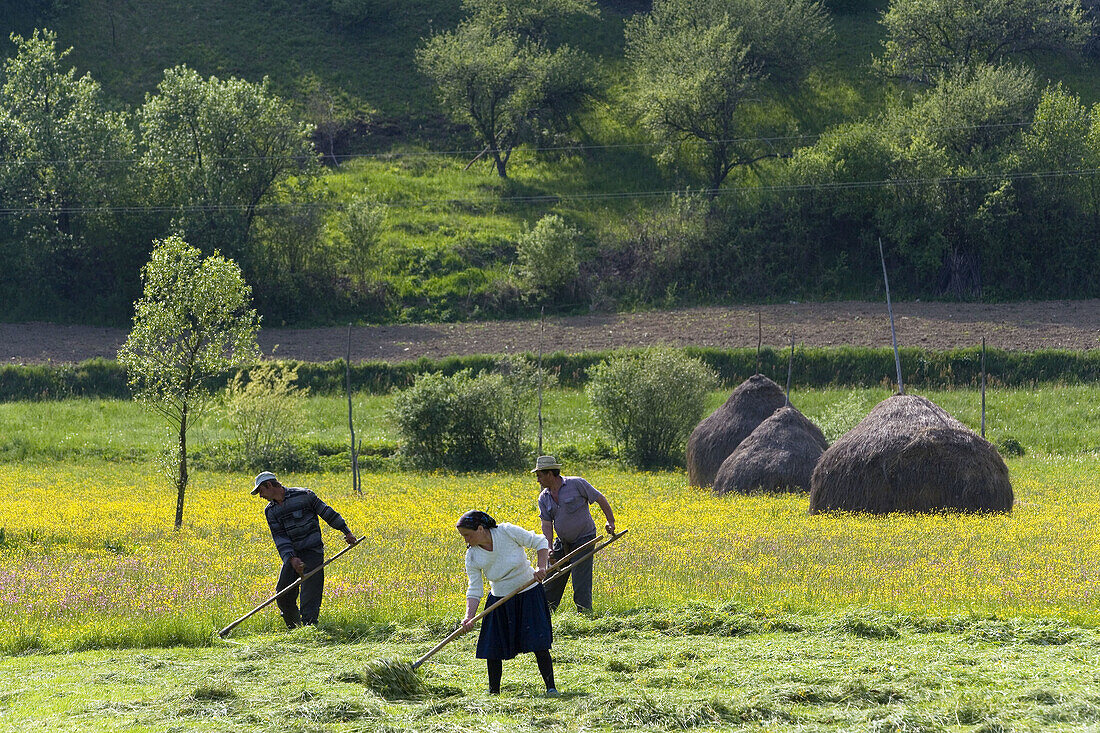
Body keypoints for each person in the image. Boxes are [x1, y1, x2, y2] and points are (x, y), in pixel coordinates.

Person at [456, 510, 557, 696]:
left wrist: (541, 567)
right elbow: (475, 589)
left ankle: (551, 687)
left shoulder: (507, 531)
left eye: (467, 535)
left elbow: (540, 542)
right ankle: (494, 692)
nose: (466, 541)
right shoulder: (472, 556)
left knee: (539, 642)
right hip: (499, 599)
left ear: (480, 529)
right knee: (493, 647)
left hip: (529, 593)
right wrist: (469, 616)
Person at [252, 471, 357, 628]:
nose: (260, 495)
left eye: (261, 490)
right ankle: (294, 628)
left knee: (310, 593)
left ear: (269, 485)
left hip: (312, 552)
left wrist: (346, 531)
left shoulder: (304, 495)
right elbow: (280, 537)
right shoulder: (270, 511)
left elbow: (327, 513)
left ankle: (309, 628)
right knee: (283, 593)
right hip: (293, 555)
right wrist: (292, 558)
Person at [533, 455, 616, 613]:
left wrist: (610, 521)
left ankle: (584, 614)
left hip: (584, 538)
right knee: (552, 578)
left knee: (580, 579)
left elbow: (600, 498)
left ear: (550, 474)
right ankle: (544, 614)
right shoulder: (543, 497)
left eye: (540, 475)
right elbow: (546, 524)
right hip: (562, 542)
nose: (538, 480)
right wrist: (549, 547)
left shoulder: (577, 483)